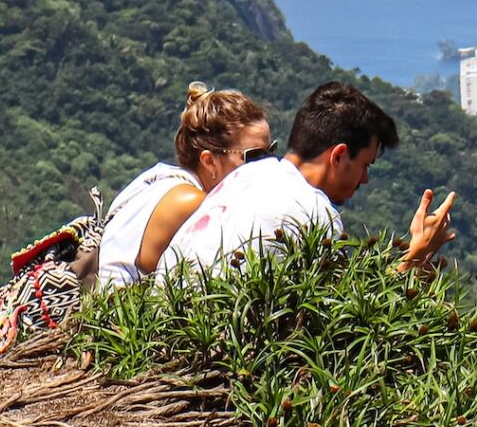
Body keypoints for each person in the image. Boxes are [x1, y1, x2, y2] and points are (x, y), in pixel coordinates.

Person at [161, 80, 456, 278]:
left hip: (164, 335)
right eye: (365, 165)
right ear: (339, 156)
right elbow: (341, 328)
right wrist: (416, 254)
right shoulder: (312, 212)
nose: (365, 179)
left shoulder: (244, 176)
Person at [90, 83, 270, 292]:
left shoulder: (158, 178)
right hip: (123, 310)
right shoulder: (192, 203)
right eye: (254, 156)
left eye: (270, 151)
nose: (267, 164)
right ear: (209, 161)